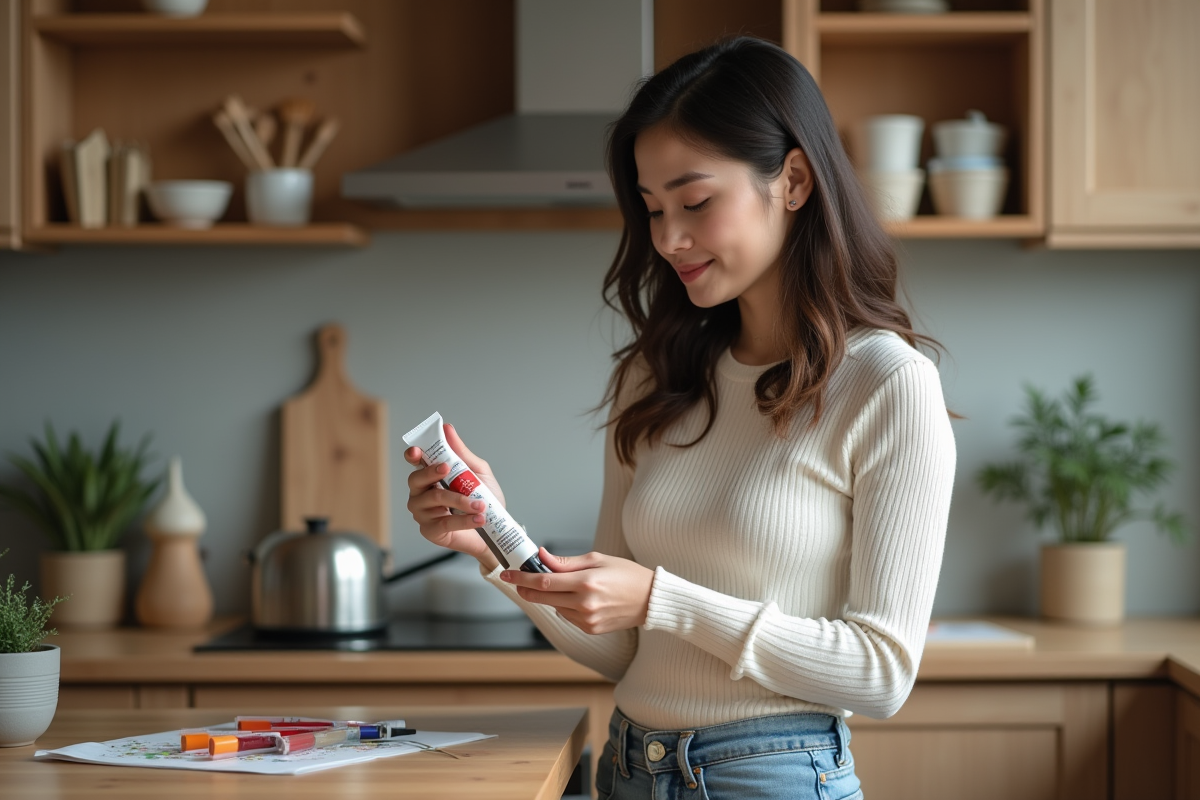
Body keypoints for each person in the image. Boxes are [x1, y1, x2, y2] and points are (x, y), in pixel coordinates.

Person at [404, 36, 956, 800]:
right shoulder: (654, 376)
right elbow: (622, 650)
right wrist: (493, 542)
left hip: (772, 778)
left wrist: (666, 598)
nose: (667, 239)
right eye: (653, 208)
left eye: (696, 202)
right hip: (627, 768)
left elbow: (882, 673)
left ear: (793, 179)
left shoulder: (886, 382)